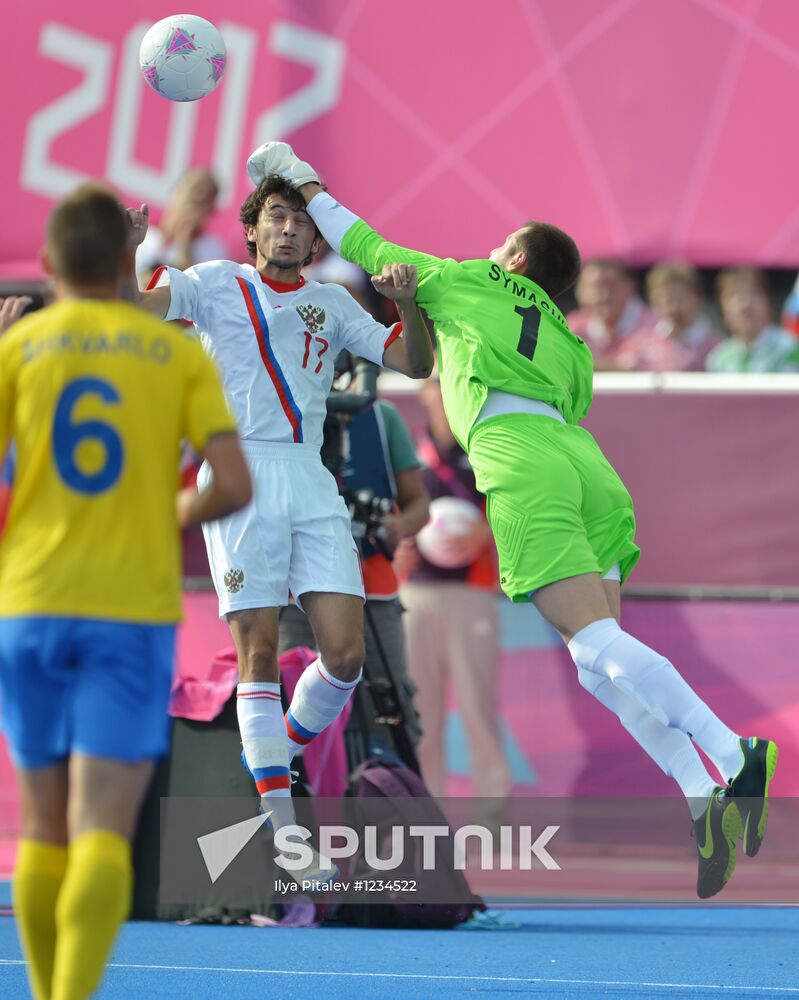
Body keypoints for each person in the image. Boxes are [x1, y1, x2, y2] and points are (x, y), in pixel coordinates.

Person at [245, 141, 779, 899]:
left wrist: (301, 178)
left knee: (593, 643)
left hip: (518, 453)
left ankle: (731, 757)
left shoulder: (473, 280)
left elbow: (358, 240)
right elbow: (570, 403)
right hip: (587, 465)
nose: (491, 251)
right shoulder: (570, 340)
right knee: (598, 657)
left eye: (504, 247)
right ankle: (701, 798)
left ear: (518, 261)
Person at [126, 174, 433, 857]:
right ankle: (284, 829)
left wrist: (407, 306)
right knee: (259, 651)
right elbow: (133, 309)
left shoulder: (334, 301)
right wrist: (130, 252)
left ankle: (267, 756)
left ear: (317, 239)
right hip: (239, 472)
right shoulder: (212, 282)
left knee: (345, 657)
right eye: (276, 216)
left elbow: (414, 361)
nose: (290, 228)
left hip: (307, 474)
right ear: (252, 230)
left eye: (301, 220)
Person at [0, 183, 251, 1000]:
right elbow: (233, 482)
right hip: (130, 610)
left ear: (44, 264)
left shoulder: (19, 348)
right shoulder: (173, 353)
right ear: (124, 262)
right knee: (101, 830)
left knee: (41, 825)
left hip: (30, 601)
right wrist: (167, 506)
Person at [278, 373, 429, 763]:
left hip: (374, 589)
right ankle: (294, 808)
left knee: (394, 709)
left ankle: (393, 808)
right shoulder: (273, 406)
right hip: (295, 594)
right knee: (293, 704)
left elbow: (417, 504)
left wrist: (397, 526)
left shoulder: (382, 416)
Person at [395, 375, 511, 816]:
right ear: (423, 391)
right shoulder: (405, 455)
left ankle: (493, 814)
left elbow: (516, 516)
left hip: (473, 594)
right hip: (414, 597)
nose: (443, 392)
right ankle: (426, 814)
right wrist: (397, 546)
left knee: (479, 705)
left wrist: (488, 531)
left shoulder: (487, 449)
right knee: (420, 715)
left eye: (452, 381)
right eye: (436, 382)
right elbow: (386, 519)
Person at [614, 262, 720, 372]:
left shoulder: (714, 346)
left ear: (696, 298)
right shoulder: (639, 343)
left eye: (679, 298)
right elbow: (623, 369)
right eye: (666, 299)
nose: (673, 306)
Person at [134, 167, 228, 285]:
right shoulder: (140, 236)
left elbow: (199, 296)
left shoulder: (212, 249)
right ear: (176, 191)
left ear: (212, 210)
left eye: (208, 195)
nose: (200, 197)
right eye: (196, 188)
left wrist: (186, 247)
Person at [566, 258, 655, 369]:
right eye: (594, 287)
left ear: (630, 286)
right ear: (579, 292)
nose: (604, 294)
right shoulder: (572, 326)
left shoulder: (655, 325)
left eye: (611, 285)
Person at [706, 267, 799, 373]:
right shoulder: (718, 359)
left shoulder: (791, 349)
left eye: (753, 293)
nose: (745, 304)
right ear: (722, 309)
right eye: (734, 296)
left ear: (769, 303)